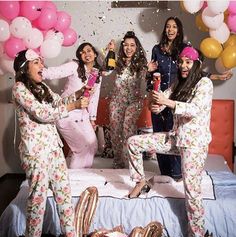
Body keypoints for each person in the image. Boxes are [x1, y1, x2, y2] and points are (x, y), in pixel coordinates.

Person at [127, 46, 213, 237]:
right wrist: (156, 104)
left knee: (191, 190)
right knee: (134, 142)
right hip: (176, 138)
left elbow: (194, 109)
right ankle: (140, 181)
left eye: (188, 62)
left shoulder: (204, 83)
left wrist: (166, 103)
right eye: (181, 62)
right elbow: (161, 100)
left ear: (196, 64)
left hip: (193, 143)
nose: (183, 66)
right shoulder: (178, 83)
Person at [12, 49, 88, 237]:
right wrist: (72, 106)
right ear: (25, 67)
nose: (42, 65)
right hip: (35, 152)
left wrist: (77, 94)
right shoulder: (19, 89)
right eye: (37, 62)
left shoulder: (43, 87)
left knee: (64, 197)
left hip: (53, 150)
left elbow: (58, 103)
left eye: (41, 61)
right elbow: (42, 113)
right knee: (37, 199)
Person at [148, 16, 233, 181]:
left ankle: (178, 175)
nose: (170, 30)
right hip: (163, 95)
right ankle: (165, 177)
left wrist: (216, 76)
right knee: (161, 137)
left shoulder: (187, 52)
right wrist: (155, 99)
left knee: (177, 138)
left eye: (174, 27)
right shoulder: (157, 49)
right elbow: (153, 76)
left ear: (178, 30)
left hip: (179, 101)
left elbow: (195, 72)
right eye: (168, 26)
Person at [43, 42, 102, 168]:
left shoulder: (96, 74)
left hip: (82, 114)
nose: (86, 54)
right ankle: (74, 180)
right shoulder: (74, 66)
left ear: (95, 54)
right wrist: (37, 71)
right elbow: (53, 73)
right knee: (80, 149)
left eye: (89, 51)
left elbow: (94, 98)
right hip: (67, 112)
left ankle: (83, 176)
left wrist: (92, 118)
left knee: (92, 146)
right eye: (83, 52)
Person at [108, 31, 148, 169]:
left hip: (134, 101)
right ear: (122, 47)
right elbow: (106, 70)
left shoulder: (141, 64)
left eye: (132, 45)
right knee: (115, 131)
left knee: (127, 127)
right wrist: (111, 51)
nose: (129, 48)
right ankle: (118, 163)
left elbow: (145, 77)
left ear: (137, 47)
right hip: (117, 101)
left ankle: (132, 163)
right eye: (126, 45)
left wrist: (149, 71)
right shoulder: (117, 62)